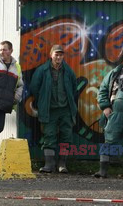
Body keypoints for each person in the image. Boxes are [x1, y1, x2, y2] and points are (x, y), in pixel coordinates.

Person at [29, 44, 78, 173]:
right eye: (56, 54)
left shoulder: (68, 71)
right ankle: (49, 164)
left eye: (61, 55)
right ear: (51, 55)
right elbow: (34, 87)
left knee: (66, 136)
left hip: (65, 109)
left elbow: (74, 87)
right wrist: (43, 100)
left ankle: (62, 164)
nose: (58, 57)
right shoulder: (42, 70)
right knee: (49, 136)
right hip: (49, 109)